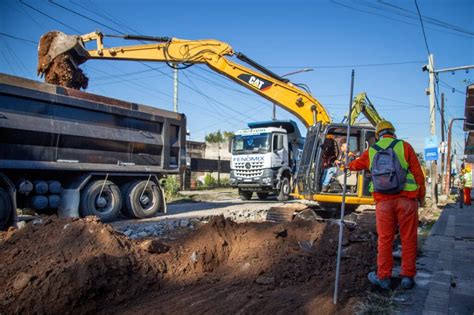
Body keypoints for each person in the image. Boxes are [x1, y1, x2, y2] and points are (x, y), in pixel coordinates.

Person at [346, 121, 426, 290]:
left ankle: (383, 277)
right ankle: (407, 277)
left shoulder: (372, 150)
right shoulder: (405, 147)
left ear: (378, 135)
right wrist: (421, 196)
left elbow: (355, 166)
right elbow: (418, 174)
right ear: (393, 133)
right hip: (407, 199)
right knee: (408, 238)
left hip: (384, 201)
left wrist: (348, 162)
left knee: (385, 239)